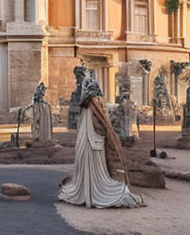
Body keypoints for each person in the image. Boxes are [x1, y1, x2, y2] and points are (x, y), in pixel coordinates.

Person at [59, 77, 143, 209]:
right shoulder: (94, 104)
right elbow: (103, 124)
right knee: (95, 168)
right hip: (93, 142)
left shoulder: (86, 105)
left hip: (88, 141)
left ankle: (88, 193)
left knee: (91, 167)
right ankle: (93, 193)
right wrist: (109, 135)